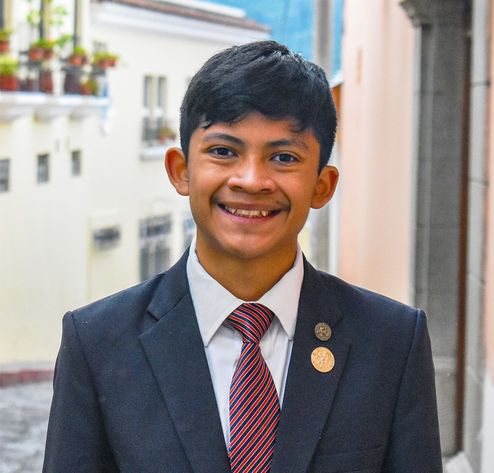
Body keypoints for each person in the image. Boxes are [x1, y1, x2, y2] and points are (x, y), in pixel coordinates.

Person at [43, 41, 442, 473]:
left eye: (284, 157)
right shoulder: (98, 342)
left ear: (322, 186)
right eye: (223, 151)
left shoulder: (391, 342)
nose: (252, 180)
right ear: (181, 170)